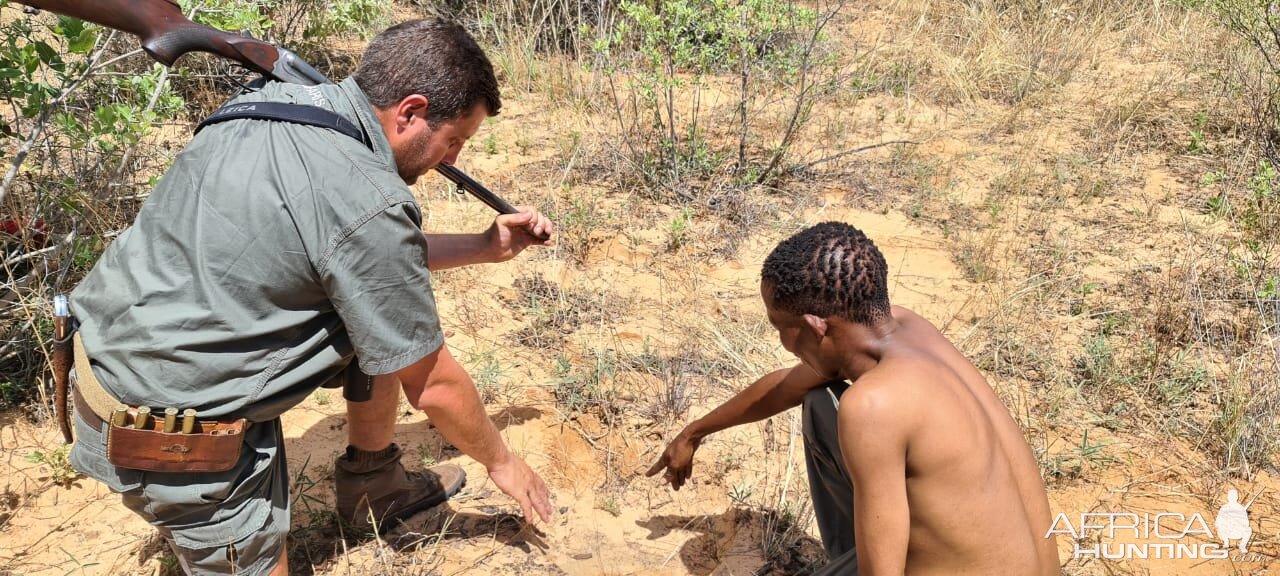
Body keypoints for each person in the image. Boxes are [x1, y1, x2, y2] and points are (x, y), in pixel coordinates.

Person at [67, 19, 553, 576]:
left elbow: (352, 252)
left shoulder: (275, 100)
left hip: (105, 359)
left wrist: (486, 245)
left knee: (378, 317)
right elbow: (435, 383)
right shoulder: (368, 201)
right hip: (171, 435)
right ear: (411, 111)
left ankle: (375, 483)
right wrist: (502, 461)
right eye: (454, 141)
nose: (451, 160)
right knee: (395, 329)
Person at [648, 222, 1059, 575]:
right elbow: (785, 388)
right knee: (819, 402)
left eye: (780, 327)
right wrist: (694, 433)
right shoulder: (911, 331)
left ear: (814, 327)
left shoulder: (874, 407)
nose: (781, 341)